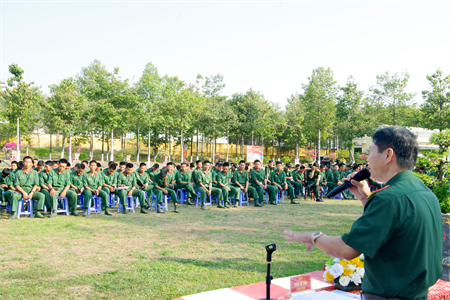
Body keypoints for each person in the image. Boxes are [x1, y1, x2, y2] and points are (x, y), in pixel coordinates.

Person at [284, 126, 442, 300]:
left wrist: (313, 237)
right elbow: (397, 233)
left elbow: (346, 250)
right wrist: (366, 199)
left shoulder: (388, 199)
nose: (367, 159)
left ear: (388, 155)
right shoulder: (426, 193)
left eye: (370, 152)